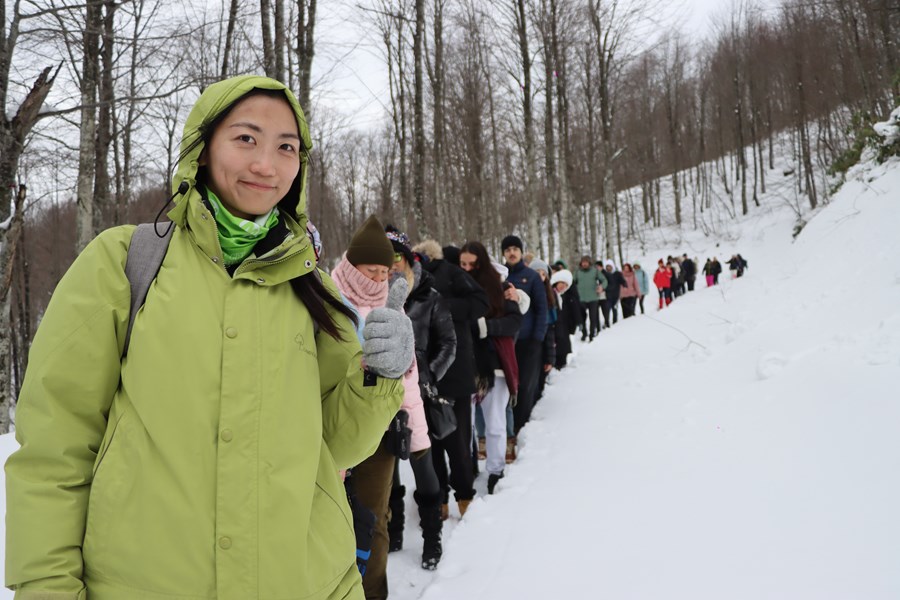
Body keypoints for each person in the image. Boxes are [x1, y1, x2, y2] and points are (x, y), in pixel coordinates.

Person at [5, 75, 413, 600]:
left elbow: (334, 445)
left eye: (286, 147)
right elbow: (55, 450)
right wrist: (47, 588)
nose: (266, 164)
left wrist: (379, 376)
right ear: (201, 148)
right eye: (246, 139)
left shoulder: (311, 288)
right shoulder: (124, 263)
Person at [331, 215, 430, 597]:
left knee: (374, 520)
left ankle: (374, 592)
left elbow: (408, 378)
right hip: (334, 428)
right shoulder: (327, 297)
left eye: (384, 271)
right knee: (332, 517)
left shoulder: (394, 308)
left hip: (382, 433)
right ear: (351, 265)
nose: (377, 279)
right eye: (369, 270)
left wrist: (419, 439)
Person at [383, 226, 456, 571]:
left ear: (409, 259)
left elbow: (448, 344)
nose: (392, 265)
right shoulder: (372, 295)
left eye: (397, 256)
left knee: (423, 466)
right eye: (386, 259)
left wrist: (429, 376)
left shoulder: (430, 297)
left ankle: (432, 538)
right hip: (381, 395)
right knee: (387, 468)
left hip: (420, 394)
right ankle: (393, 529)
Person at [413, 240, 489, 521]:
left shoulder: (450, 272)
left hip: (455, 369)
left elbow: (480, 301)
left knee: (457, 441)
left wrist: (442, 305)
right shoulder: (408, 278)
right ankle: (439, 499)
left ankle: (465, 497)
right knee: (428, 442)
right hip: (423, 373)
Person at [460, 241, 522, 494]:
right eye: (462, 264)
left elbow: (515, 320)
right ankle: (469, 464)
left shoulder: (501, 288)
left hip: (495, 364)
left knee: (495, 423)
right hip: (464, 365)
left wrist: (487, 328)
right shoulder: (457, 288)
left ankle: (495, 470)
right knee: (466, 425)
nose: (467, 269)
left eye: (472, 264)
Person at [500, 235, 547, 434]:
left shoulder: (532, 276)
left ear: (521, 252)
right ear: (503, 253)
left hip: (528, 340)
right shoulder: (499, 276)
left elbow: (542, 309)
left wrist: (538, 338)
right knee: (508, 386)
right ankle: (508, 428)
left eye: (515, 249)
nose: (512, 253)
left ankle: (522, 427)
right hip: (505, 341)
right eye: (508, 249)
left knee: (526, 385)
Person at [550, 268, 581, 368]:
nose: (563, 286)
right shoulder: (551, 294)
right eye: (562, 283)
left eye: (566, 285)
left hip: (562, 330)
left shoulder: (562, 296)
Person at [573, 255, 606, 341]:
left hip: (593, 298)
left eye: (586, 262)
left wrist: (601, 287)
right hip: (581, 298)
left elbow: (604, 280)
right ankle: (584, 333)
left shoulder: (595, 271)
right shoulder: (577, 272)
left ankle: (592, 334)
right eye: (583, 262)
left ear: (589, 263)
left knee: (593, 317)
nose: (584, 264)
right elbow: (572, 282)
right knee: (582, 318)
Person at [602, 260, 626, 326]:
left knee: (614, 310)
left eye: (610, 266)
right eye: (607, 266)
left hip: (616, 295)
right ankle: (606, 323)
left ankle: (615, 323)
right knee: (607, 310)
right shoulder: (604, 274)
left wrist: (624, 283)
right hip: (607, 295)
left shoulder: (617, 274)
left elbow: (622, 280)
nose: (608, 268)